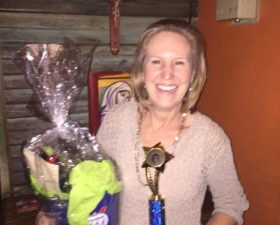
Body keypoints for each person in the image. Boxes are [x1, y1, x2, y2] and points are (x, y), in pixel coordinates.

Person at [97, 18, 249, 225]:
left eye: (179, 62)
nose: (167, 74)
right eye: (156, 61)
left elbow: (231, 205)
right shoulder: (116, 120)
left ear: (193, 73)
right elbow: (92, 184)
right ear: (142, 70)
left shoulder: (210, 138)